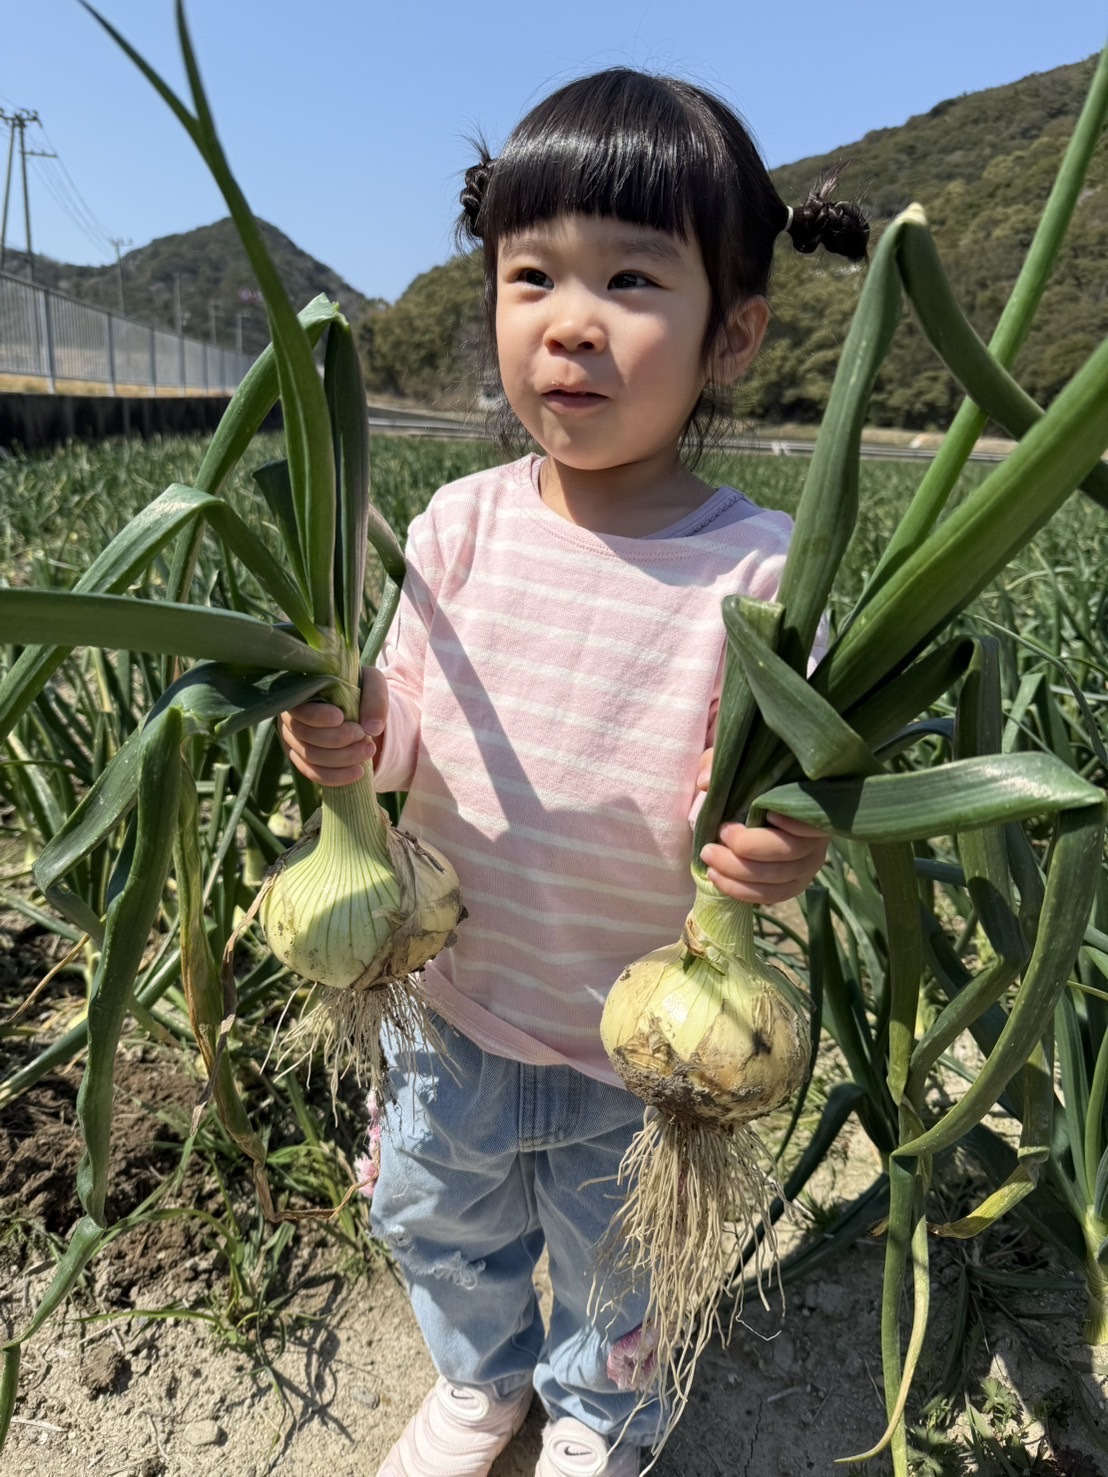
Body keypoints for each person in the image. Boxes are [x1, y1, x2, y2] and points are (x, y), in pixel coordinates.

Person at [278, 67, 868, 1477]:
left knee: (623, 1263)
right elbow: (412, 724)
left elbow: (791, 793)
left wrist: (788, 848)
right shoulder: (459, 522)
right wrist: (357, 734)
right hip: (455, 1002)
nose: (571, 321)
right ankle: (478, 1381)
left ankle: (599, 1413)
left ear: (733, 336)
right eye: (532, 274)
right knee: (438, 1216)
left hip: (641, 1046)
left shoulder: (763, 574)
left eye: (633, 279)